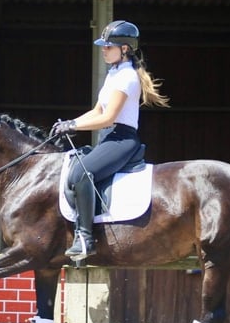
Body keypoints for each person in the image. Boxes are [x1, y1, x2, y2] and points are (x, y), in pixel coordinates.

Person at [50, 20, 170, 260]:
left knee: (82, 173)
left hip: (122, 139)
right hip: (110, 138)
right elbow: (96, 111)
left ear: (124, 48)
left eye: (108, 46)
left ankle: (85, 237)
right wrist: (69, 123)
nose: (103, 50)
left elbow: (108, 118)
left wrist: (74, 125)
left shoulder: (126, 77)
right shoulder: (114, 74)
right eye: (103, 46)